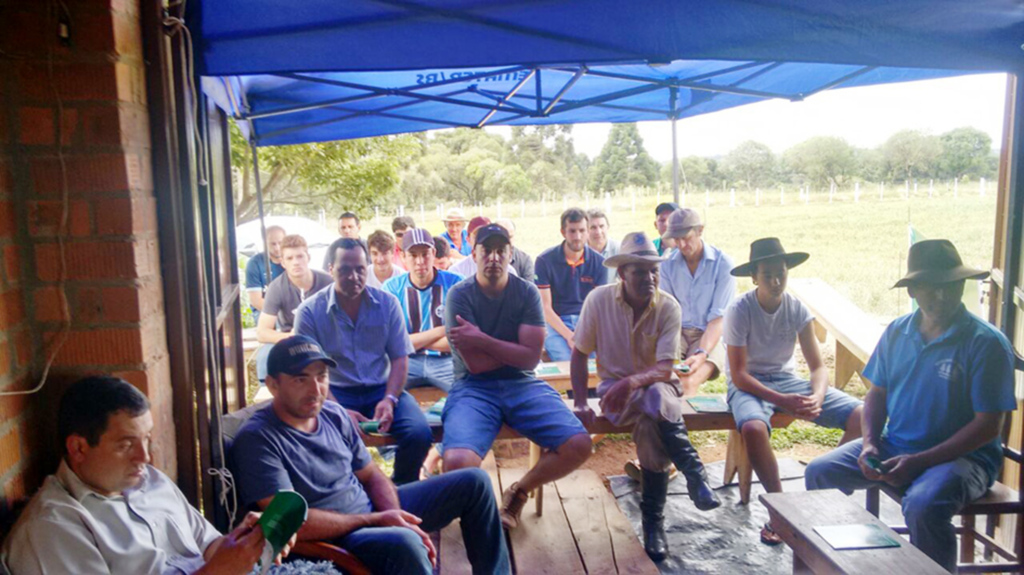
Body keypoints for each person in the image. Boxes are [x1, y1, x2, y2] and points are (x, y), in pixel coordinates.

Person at [805, 239, 1017, 572]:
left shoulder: (985, 343)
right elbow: (877, 393)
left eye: (951, 286)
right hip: (896, 444)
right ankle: (834, 564)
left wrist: (920, 461)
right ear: (912, 291)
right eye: (931, 288)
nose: (942, 296)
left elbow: (989, 425)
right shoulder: (897, 332)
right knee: (819, 473)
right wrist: (871, 443)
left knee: (923, 505)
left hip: (963, 459)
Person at [232, 335, 510, 575]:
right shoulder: (258, 440)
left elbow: (371, 474)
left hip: (371, 515)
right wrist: (375, 521)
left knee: (475, 482)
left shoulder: (333, 414)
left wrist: (392, 514)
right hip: (338, 538)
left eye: (321, 377)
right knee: (406, 543)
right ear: (273, 384)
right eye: (300, 380)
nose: (315, 390)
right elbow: (288, 525)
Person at [1, 376, 293, 575]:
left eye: (146, 439)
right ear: (78, 447)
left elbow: (208, 547)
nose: (145, 457)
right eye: (126, 444)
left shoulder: (149, 481)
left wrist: (244, 542)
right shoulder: (53, 528)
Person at [571, 232, 720, 563]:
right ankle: (694, 473)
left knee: (654, 407)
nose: (649, 278)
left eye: (653, 270)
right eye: (639, 271)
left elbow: (666, 367)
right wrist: (581, 402)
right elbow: (579, 354)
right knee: (653, 401)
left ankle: (654, 525)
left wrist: (633, 382)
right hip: (615, 393)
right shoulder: (598, 301)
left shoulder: (668, 306)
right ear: (622, 273)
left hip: (657, 389)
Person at [442, 224, 592, 529]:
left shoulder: (525, 292)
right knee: (457, 462)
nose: (494, 257)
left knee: (578, 444)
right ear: (474, 254)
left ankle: (519, 490)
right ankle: (481, 514)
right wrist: (513, 351)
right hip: (474, 388)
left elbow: (530, 358)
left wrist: (482, 339)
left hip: (522, 383)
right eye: (487, 250)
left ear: (511, 254)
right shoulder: (459, 296)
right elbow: (477, 366)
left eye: (501, 250)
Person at [723, 237, 864, 545]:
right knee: (753, 427)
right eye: (767, 275)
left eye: (781, 273)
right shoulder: (740, 310)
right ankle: (780, 512)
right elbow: (739, 374)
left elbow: (818, 367)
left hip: (786, 378)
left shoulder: (796, 308)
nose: (775, 281)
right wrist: (781, 400)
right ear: (754, 277)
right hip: (749, 382)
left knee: (861, 414)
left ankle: (825, 500)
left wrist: (816, 395)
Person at [294, 238, 432, 485]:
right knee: (324, 436)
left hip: (381, 388)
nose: (354, 276)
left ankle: (401, 489)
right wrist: (337, 410)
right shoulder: (310, 312)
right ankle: (347, 496)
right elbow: (308, 372)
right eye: (344, 269)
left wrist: (390, 399)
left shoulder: (387, 304)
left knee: (419, 433)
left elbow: (400, 357)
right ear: (330, 270)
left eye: (359, 269)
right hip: (332, 392)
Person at [659, 208, 735, 396]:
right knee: (663, 378)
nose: (682, 245)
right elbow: (667, 312)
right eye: (676, 239)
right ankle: (666, 423)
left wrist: (702, 353)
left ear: (700, 230)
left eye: (686, 237)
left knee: (688, 382)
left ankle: (682, 425)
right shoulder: (667, 264)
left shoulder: (723, 264)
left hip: (711, 333)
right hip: (677, 331)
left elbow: (718, 318)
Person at [383, 228, 463, 393]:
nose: (420, 261)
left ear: (433, 253)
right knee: (382, 392)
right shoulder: (391, 288)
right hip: (406, 361)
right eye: (413, 255)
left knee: (466, 395)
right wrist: (441, 331)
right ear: (403, 256)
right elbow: (392, 343)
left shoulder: (455, 285)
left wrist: (412, 341)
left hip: (447, 361)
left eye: (425, 254)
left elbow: (459, 342)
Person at [255, 234, 334, 382]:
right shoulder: (276, 287)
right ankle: (269, 396)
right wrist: (291, 336)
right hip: (291, 341)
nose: (296, 262)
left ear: (308, 257)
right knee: (264, 356)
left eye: (300, 256)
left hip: (324, 339)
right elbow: (262, 332)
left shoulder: (328, 282)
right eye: (290, 258)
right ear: (282, 262)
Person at [534, 208, 607, 361]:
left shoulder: (599, 262)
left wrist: (584, 334)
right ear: (563, 232)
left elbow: (598, 307)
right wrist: (569, 336)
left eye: (582, 230)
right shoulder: (544, 261)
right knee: (567, 363)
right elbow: (545, 308)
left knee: (597, 363)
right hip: (556, 323)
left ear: (587, 231)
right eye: (572, 231)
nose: (577, 237)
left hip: (587, 322)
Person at [450, 217, 519, 278]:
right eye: (477, 236)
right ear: (468, 239)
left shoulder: (509, 272)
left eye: (487, 236)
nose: (482, 241)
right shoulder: (456, 271)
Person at [245, 224, 286, 322]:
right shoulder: (255, 263)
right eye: (273, 244)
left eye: (280, 243)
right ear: (265, 243)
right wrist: (282, 315)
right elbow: (256, 301)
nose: (277, 248)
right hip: (264, 310)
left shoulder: (291, 260)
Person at [495, 217, 535, 282]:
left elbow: (529, 289)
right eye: (503, 237)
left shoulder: (525, 260)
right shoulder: (484, 258)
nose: (507, 241)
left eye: (510, 237)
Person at [586, 208, 619, 283]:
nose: (598, 232)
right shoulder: (579, 251)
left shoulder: (618, 249)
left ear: (608, 227)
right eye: (593, 227)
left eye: (601, 226)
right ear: (585, 230)